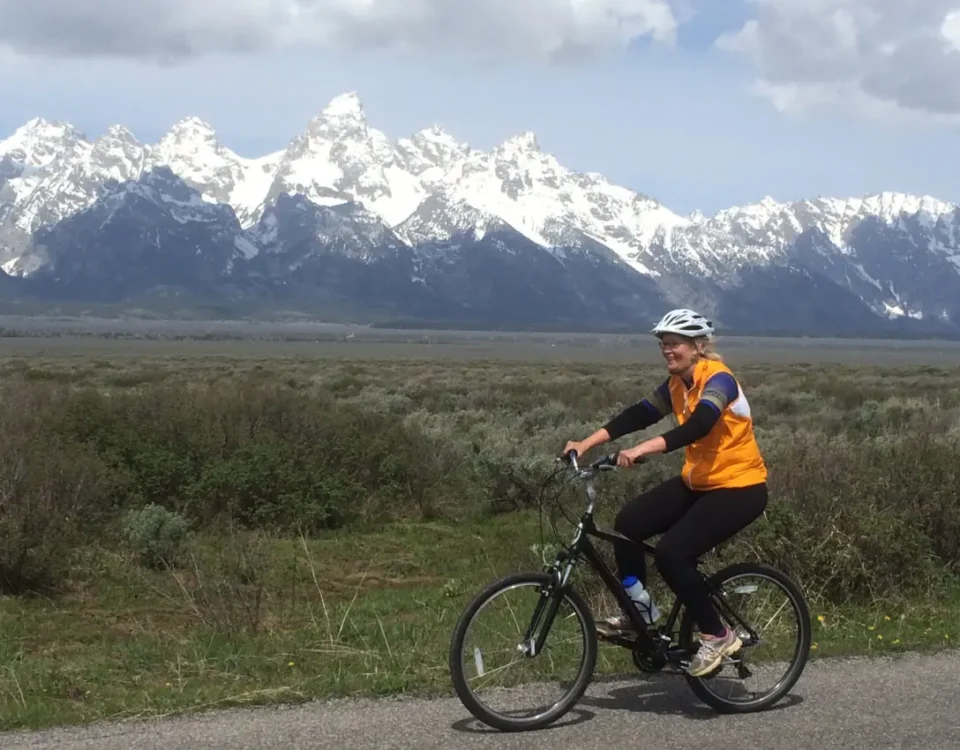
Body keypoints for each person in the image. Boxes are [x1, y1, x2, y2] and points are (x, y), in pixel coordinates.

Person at [563, 308, 768, 678]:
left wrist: (644, 449)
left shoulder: (719, 380)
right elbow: (636, 415)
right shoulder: (676, 385)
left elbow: (701, 425)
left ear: (698, 347)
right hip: (700, 482)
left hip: (740, 487)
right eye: (664, 344)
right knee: (627, 526)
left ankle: (718, 634)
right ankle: (640, 611)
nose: (668, 351)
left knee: (672, 553)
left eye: (675, 344)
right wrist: (586, 442)